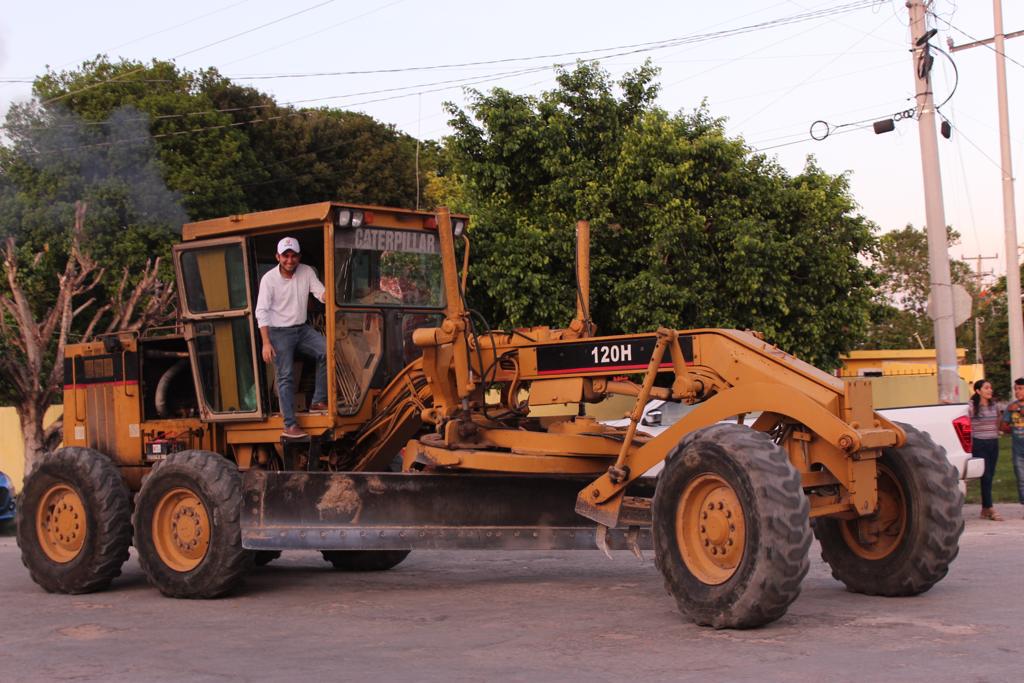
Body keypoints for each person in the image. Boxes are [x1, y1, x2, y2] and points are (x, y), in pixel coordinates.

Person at [255, 237, 327, 439]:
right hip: (278, 332)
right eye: (285, 255)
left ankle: (318, 400)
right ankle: (290, 425)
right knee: (285, 376)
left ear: (299, 257)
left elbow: (320, 292)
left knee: (327, 351)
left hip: (301, 329)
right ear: (278, 257)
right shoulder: (269, 279)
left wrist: (329, 296)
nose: (289, 259)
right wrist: (266, 343)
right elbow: (261, 311)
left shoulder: (306, 271)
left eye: (293, 255)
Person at [969, 379, 1003, 521]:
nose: (990, 390)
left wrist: (996, 431)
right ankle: (990, 508)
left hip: (993, 443)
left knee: (990, 475)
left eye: (990, 387)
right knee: (986, 475)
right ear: (978, 391)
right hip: (979, 443)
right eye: (986, 388)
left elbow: (999, 419)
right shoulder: (971, 406)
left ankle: (984, 509)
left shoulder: (994, 405)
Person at [1000, 377, 1024, 517]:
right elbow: (1003, 427)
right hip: (1018, 448)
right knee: (1021, 478)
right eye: (1015, 389)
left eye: (1020, 388)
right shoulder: (1011, 407)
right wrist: (1011, 424)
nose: (1017, 392)